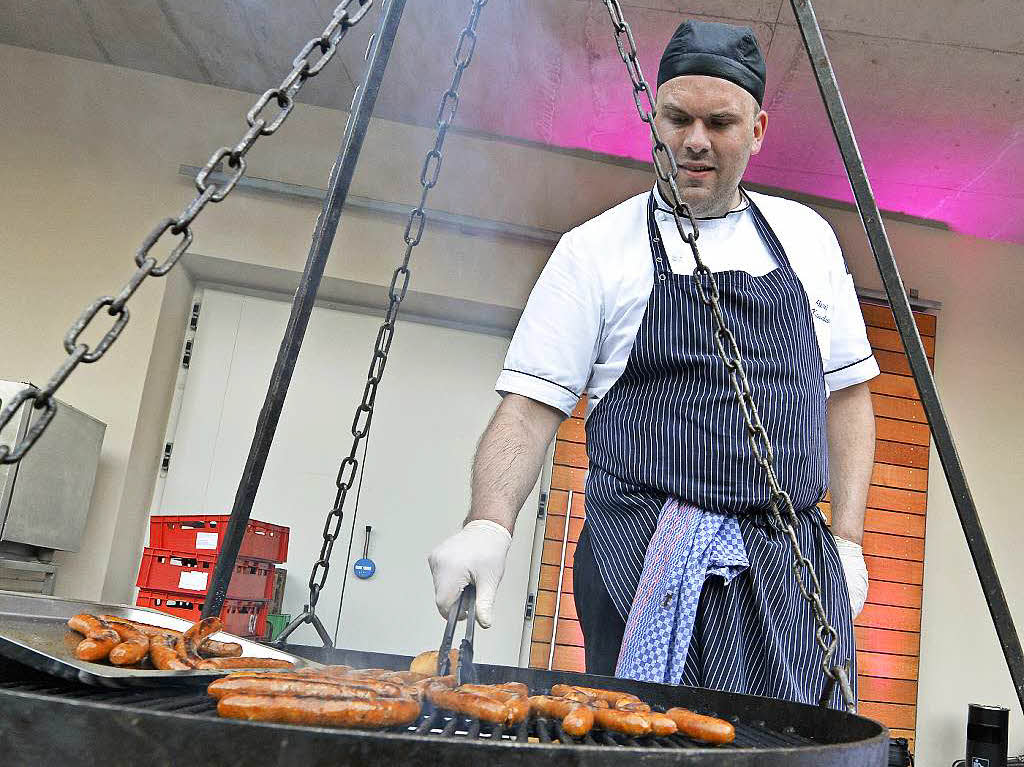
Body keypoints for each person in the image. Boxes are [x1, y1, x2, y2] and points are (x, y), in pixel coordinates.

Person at [428, 19, 876, 708]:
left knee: (785, 744)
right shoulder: (595, 251)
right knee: (643, 736)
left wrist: (847, 539)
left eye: (719, 122)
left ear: (757, 130)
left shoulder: (808, 241)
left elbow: (846, 398)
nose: (695, 140)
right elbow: (528, 408)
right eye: (677, 118)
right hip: (643, 560)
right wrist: (490, 521)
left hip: (789, 570)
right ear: (654, 119)